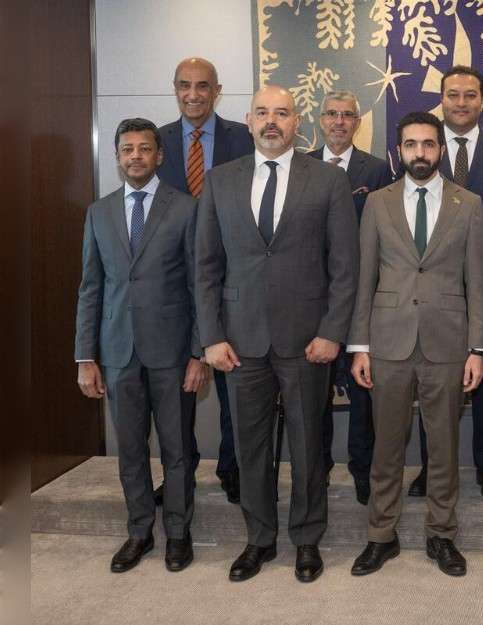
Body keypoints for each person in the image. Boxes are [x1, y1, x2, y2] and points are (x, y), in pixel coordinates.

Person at [195, 85, 358, 583]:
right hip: (239, 342)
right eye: (262, 112)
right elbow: (205, 266)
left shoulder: (328, 180)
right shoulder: (220, 182)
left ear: (297, 122)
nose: (272, 121)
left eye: (282, 113)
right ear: (248, 120)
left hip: (307, 340)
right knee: (249, 446)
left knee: (309, 445)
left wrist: (333, 331)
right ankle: (258, 539)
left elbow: (344, 267)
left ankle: (307, 539)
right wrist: (211, 337)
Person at [347, 111, 483, 578]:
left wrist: (478, 349)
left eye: (429, 144)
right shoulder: (377, 204)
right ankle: (380, 536)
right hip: (387, 343)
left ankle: (441, 535)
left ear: (441, 149)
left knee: (444, 448)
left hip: (448, 345)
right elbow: (364, 277)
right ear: (400, 150)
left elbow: (478, 282)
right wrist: (359, 346)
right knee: (386, 447)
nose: (421, 153)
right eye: (411, 145)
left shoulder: (469, 204)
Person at [75, 118, 210, 573]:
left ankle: (178, 533)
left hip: (172, 355)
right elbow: (90, 288)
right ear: (117, 156)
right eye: (127, 148)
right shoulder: (99, 212)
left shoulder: (185, 208)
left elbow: (199, 286)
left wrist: (198, 353)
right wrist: (85, 357)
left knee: (176, 450)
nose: (135, 156)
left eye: (144, 148)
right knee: (130, 450)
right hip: (117, 354)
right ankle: (138, 532)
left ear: (159, 156)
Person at [408, 65, 483, 501]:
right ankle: (429, 467)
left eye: (470, 95)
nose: (461, 102)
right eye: (453, 94)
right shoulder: (420, 149)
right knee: (431, 382)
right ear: (442, 99)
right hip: (431, 291)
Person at [156, 57, 255, 506]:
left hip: (231, 275)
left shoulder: (243, 138)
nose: (192, 94)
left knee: (233, 377)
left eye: (202, 86)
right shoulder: (156, 143)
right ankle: (181, 472)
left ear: (218, 90)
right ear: (175, 90)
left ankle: (233, 467)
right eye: (184, 86)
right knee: (178, 384)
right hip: (173, 280)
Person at [307, 90, 394, 505]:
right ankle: (318, 469)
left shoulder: (376, 170)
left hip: (362, 299)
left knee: (363, 393)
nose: (339, 122)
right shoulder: (301, 165)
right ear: (319, 120)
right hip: (311, 302)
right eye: (332, 115)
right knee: (314, 394)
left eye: (347, 115)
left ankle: (363, 470)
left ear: (358, 122)